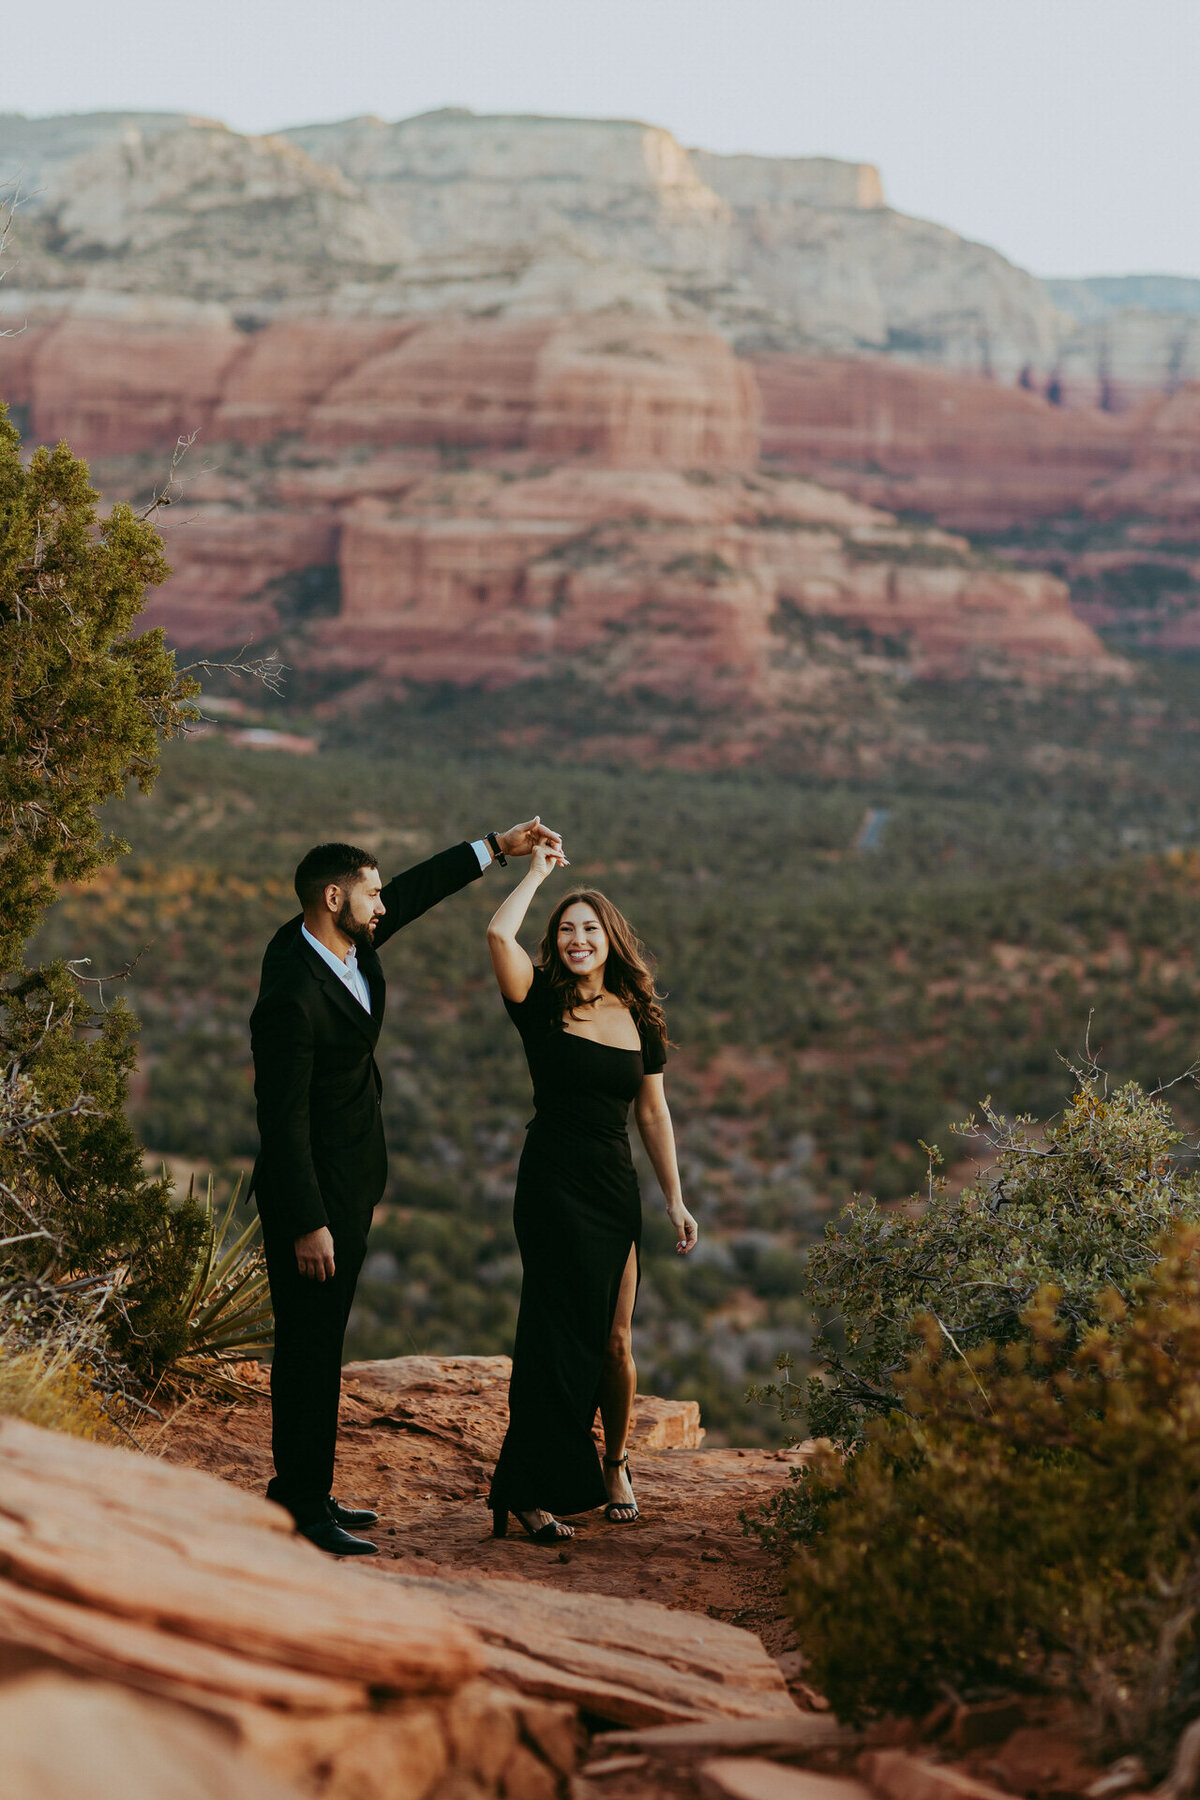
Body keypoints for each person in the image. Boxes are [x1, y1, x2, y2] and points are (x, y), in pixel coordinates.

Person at [250, 818, 563, 1556]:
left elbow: (415, 893)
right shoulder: (291, 992)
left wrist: (497, 847)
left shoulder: (342, 944)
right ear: (334, 897)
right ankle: (299, 1506)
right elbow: (280, 1119)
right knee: (308, 1347)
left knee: (322, 1343)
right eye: (370, 895)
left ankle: (306, 1486)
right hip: (315, 1198)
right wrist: (307, 1220)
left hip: (354, 1177)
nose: (382, 906)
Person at [485, 844, 698, 1544]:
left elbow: (652, 1115)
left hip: (614, 1188)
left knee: (612, 1339)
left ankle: (615, 1464)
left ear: (611, 941)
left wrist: (674, 1197)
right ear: (556, 943)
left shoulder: (639, 1015)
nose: (578, 941)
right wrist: (539, 873)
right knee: (550, 1335)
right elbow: (496, 934)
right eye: (567, 931)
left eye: (590, 931)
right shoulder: (538, 1002)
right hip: (550, 1184)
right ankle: (529, 1489)